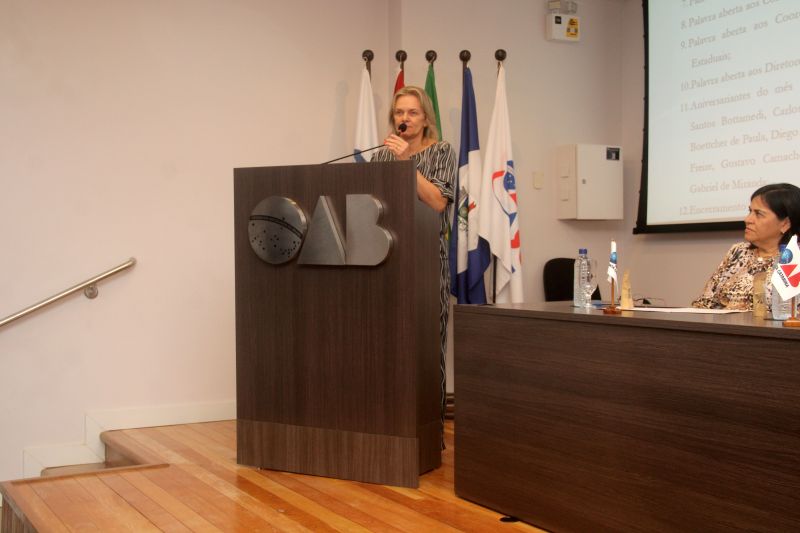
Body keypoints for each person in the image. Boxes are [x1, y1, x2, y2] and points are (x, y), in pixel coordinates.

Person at [371, 86, 456, 436]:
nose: (404, 118)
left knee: (425, 345)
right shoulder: (381, 157)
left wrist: (407, 161)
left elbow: (437, 202)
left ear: (425, 119)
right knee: (388, 343)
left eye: (412, 112)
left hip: (426, 260)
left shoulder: (441, 151)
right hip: (386, 258)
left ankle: (429, 428)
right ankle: (389, 422)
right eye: (399, 112)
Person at [692, 183, 800, 310]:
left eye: (759, 214)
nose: (747, 219)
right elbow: (705, 302)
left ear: (785, 223)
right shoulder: (739, 251)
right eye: (750, 211)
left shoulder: (794, 257)